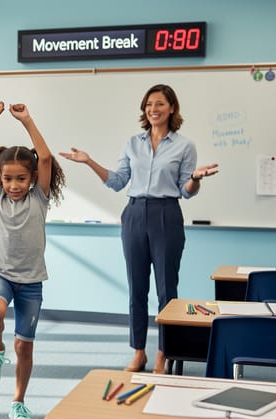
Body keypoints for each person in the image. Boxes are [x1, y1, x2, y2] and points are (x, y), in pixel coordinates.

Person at [59, 84, 218, 374]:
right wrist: (89, 162)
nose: (153, 109)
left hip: (166, 215)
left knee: (166, 290)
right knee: (136, 289)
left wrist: (196, 178)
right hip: (133, 214)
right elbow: (118, 181)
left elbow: (186, 190)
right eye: (148, 105)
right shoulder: (133, 143)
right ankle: (139, 352)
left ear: (172, 108)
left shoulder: (185, 146)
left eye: (159, 104)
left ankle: (164, 353)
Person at [0, 101, 65, 419]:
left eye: (21, 179)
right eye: (8, 179)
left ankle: (18, 403)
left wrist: (27, 120)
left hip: (31, 282)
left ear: (32, 179)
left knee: (24, 346)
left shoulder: (39, 197)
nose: (14, 185)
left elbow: (45, 157)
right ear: (0, 179)